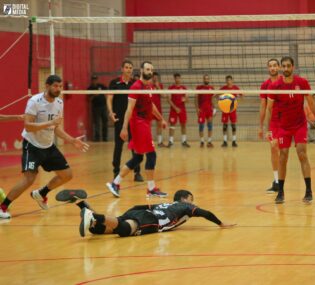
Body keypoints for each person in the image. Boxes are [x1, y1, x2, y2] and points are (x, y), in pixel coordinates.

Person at [0, 75, 89, 219]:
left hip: (48, 146)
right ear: (47, 86)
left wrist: (72, 140)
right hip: (32, 145)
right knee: (29, 178)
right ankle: (3, 207)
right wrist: (50, 123)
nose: (58, 89)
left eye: (60, 86)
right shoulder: (34, 102)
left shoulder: (59, 102)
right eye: (55, 86)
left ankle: (41, 193)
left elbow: (56, 128)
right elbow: (28, 127)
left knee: (67, 175)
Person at [266, 56, 315, 204]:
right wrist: (269, 129)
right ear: (281, 68)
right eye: (283, 66)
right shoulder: (275, 86)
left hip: (299, 125)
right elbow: (269, 108)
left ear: (293, 67)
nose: (285, 69)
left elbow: (311, 102)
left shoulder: (302, 82)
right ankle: (281, 192)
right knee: (283, 156)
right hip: (283, 126)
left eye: (288, 66)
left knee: (302, 154)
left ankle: (309, 191)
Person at [106, 61, 168, 198]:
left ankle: (115, 183)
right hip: (138, 124)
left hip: (145, 123)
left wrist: (161, 119)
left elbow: (151, 106)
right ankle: (151, 188)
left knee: (138, 157)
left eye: (151, 70)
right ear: (141, 70)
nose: (149, 72)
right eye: (147, 69)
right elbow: (129, 109)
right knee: (151, 154)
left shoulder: (149, 87)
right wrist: (124, 128)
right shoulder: (136, 87)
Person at [78, 189, 236, 238]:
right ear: (183, 199)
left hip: (139, 211)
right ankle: (93, 216)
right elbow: (205, 213)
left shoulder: (166, 204)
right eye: (191, 199)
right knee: (126, 230)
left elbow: (141, 205)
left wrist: (130, 211)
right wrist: (221, 224)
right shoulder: (184, 207)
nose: (193, 203)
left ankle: (85, 209)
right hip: (152, 219)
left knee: (99, 230)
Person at [106, 60, 143, 182]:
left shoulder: (135, 83)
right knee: (118, 146)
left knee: (135, 146)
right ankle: (116, 172)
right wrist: (111, 112)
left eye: (130, 67)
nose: (128, 69)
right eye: (126, 67)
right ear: (122, 69)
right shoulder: (114, 83)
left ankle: (137, 172)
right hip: (120, 119)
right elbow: (109, 98)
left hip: (133, 119)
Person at [259, 59, 281, 194]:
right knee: (274, 149)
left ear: (278, 67)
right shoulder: (265, 85)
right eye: (270, 66)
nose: (272, 68)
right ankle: (277, 181)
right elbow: (263, 106)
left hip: (286, 120)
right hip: (273, 122)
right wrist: (261, 126)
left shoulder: (285, 82)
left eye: (275, 65)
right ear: (268, 68)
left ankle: (281, 181)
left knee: (284, 152)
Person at [167, 73, 190, 148]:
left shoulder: (184, 88)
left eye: (179, 78)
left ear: (180, 79)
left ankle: (184, 141)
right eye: (176, 78)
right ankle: (170, 141)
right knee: (172, 125)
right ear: (174, 79)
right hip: (174, 109)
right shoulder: (171, 88)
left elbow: (187, 99)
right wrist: (175, 108)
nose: (178, 79)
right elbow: (169, 100)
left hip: (182, 109)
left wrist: (185, 99)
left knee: (183, 124)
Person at [220, 75, 242, 147]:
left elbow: (242, 95)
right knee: (225, 125)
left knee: (233, 125)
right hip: (225, 109)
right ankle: (225, 141)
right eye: (227, 80)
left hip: (232, 109)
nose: (228, 82)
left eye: (230, 80)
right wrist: (220, 101)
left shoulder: (236, 88)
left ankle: (234, 141)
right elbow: (216, 95)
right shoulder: (223, 88)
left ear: (232, 80)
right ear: (226, 81)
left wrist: (238, 99)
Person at [195, 74, 215, 147]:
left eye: (207, 79)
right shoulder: (199, 88)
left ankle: (209, 142)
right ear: (203, 80)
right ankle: (202, 141)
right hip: (202, 109)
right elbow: (196, 98)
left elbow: (212, 99)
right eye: (205, 79)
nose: (206, 80)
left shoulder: (211, 88)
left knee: (210, 126)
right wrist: (197, 108)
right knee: (201, 126)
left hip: (209, 109)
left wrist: (214, 108)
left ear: (209, 80)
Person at [87, 75, 108, 142]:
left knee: (105, 122)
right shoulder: (90, 88)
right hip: (96, 108)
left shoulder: (101, 86)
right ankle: (97, 138)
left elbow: (107, 92)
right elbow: (89, 99)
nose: (95, 81)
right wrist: (94, 95)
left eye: (96, 79)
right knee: (97, 123)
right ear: (92, 80)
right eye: (93, 79)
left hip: (104, 107)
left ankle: (105, 138)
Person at [151, 72, 165, 147]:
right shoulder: (149, 85)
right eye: (154, 77)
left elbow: (163, 95)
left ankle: (159, 142)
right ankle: (149, 142)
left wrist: (158, 87)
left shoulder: (160, 85)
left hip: (158, 108)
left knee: (159, 125)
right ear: (152, 77)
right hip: (150, 108)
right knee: (149, 125)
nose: (155, 78)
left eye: (156, 77)